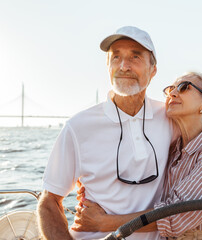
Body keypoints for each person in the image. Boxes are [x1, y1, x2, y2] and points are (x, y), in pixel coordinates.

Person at [73, 72, 202, 239]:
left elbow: (177, 216)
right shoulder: (174, 148)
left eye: (184, 87)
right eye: (170, 89)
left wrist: (103, 223)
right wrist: (92, 184)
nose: (173, 93)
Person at [37, 26, 173, 240]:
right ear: (107, 66)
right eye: (115, 57)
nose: (124, 66)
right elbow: (49, 201)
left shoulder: (171, 118)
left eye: (135, 57)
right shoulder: (78, 126)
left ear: (153, 69)